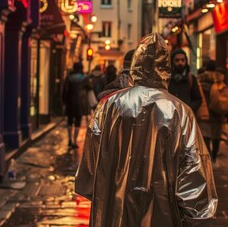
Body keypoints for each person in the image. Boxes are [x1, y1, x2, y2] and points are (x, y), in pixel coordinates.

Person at [75, 33, 218, 226]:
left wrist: (100, 191)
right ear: (165, 68)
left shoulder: (109, 106)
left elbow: (91, 161)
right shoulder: (180, 111)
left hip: (115, 209)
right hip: (162, 210)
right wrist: (196, 211)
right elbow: (193, 165)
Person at [197, 60, 227, 168]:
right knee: (216, 137)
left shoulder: (200, 81)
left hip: (205, 113)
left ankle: (208, 159)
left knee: (206, 137)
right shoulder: (219, 81)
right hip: (217, 113)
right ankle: (214, 158)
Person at [62, 62, 89, 149]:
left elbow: (65, 91)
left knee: (70, 121)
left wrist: (64, 102)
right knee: (78, 121)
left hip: (70, 102)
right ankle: (75, 140)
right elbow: (89, 88)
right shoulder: (84, 78)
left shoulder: (69, 77)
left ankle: (69, 139)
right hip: (80, 103)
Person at [168, 48, 202, 114]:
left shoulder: (191, 78)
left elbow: (198, 99)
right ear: (172, 61)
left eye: (182, 60)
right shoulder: (167, 79)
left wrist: (189, 109)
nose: (180, 63)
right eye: (177, 60)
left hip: (186, 116)